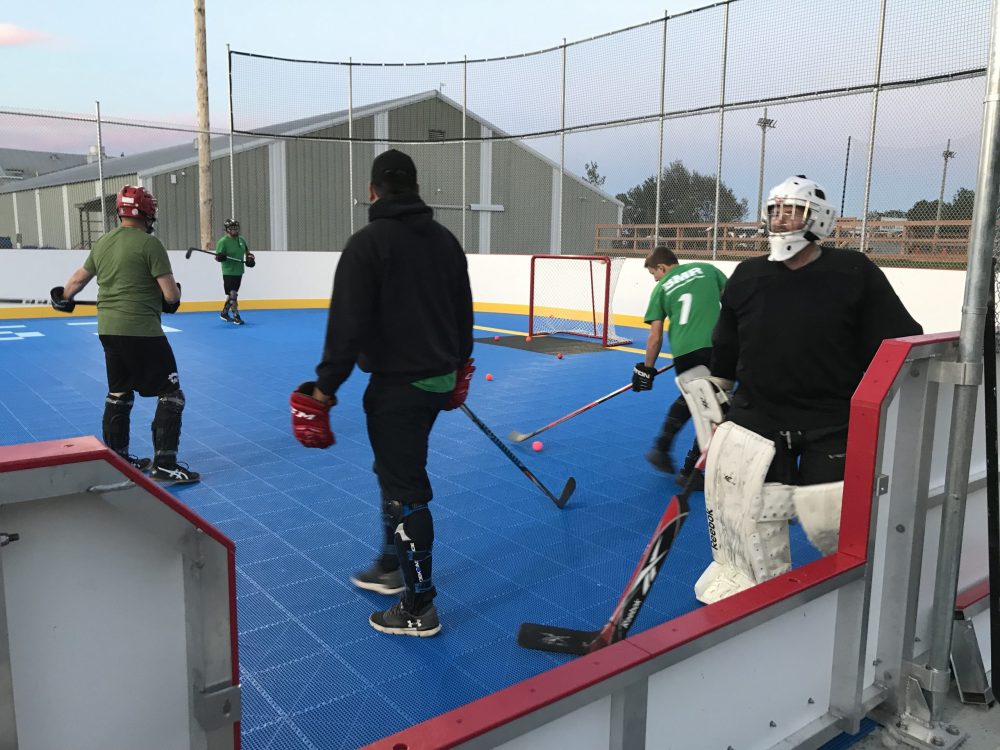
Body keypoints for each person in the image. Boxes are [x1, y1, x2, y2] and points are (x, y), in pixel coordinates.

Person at [689, 175, 922, 604]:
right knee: (749, 517)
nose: (781, 220)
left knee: (835, 525)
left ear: (819, 218)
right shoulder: (747, 274)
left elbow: (898, 342)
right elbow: (726, 348)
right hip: (757, 419)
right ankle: (753, 592)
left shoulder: (854, 272)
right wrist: (713, 411)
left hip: (832, 423)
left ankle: (847, 593)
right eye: (774, 210)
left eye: (792, 210)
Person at [289, 149, 474, 638]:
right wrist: (459, 370)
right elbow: (463, 314)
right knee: (394, 472)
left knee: (406, 488)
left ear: (373, 191)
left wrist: (325, 389)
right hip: (433, 381)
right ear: (415, 188)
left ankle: (419, 608)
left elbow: (347, 326)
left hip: (398, 388)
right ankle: (392, 565)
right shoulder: (446, 241)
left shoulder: (367, 244)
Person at [51, 185, 200, 484]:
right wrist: (175, 294)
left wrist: (61, 296)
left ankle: (117, 459)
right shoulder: (149, 245)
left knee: (119, 392)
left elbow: (78, 280)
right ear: (146, 211)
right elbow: (170, 296)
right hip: (142, 331)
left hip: (109, 330)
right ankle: (165, 465)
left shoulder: (104, 242)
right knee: (172, 395)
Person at [632, 245, 726, 489]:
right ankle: (690, 471)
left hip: (684, 352)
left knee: (695, 400)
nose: (654, 278)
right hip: (715, 347)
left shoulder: (661, 289)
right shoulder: (707, 269)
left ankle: (663, 448)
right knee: (715, 410)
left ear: (662, 267)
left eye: (653, 273)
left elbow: (655, 337)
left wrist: (647, 368)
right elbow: (734, 303)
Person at [214, 219, 255, 325]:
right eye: (232, 229)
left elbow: (248, 252)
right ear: (227, 230)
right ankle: (236, 316)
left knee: (233, 293)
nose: (235, 230)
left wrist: (250, 259)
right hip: (228, 271)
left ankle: (224, 313)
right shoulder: (223, 242)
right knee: (232, 294)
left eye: (236, 228)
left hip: (239, 270)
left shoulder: (241, 239)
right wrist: (220, 257)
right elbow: (217, 257)